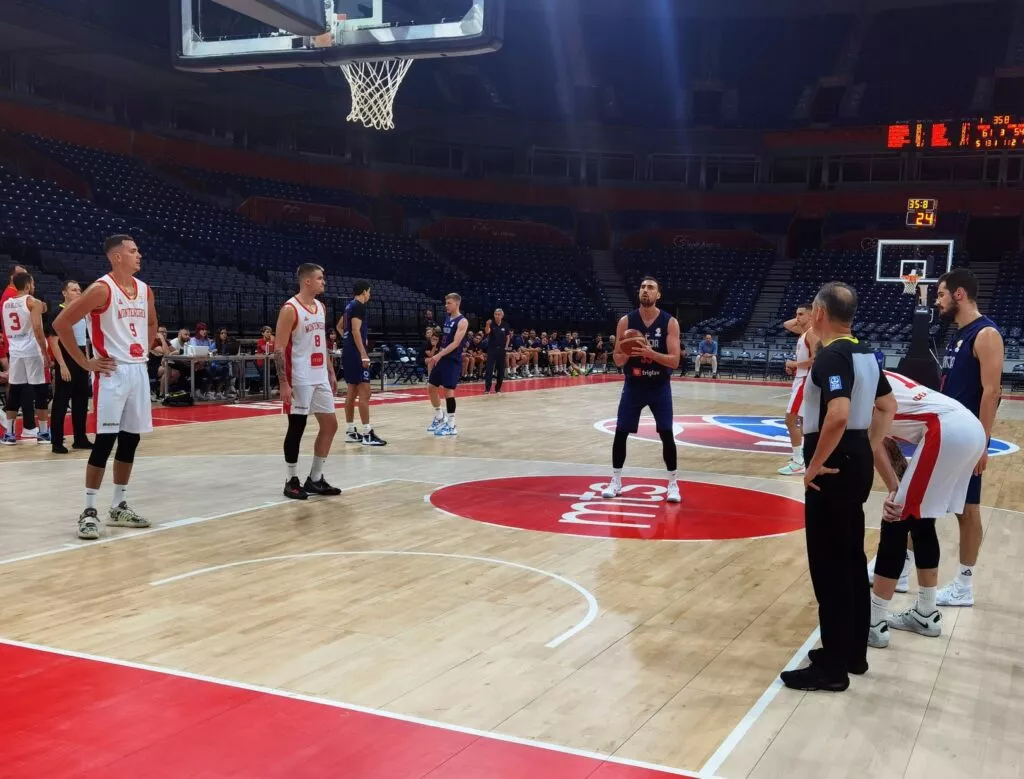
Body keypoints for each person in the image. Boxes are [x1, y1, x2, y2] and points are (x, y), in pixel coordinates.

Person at [780, 282, 894, 692]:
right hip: (857, 457)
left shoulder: (831, 355)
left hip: (833, 464)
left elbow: (839, 414)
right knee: (850, 558)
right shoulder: (866, 352)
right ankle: (852, 653)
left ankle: (832, 667)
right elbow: (888, 406)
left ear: (820, 313)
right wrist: (869, 446)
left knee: (829, 566)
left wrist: (813, 466)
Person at [863, 370, 986, 649]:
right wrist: (899, 485)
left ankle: (874, 623)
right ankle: (926, 613)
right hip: (968, 426)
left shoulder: (855, 383)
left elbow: (873, 442)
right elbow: (885, 439)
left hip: (946, 429)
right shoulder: (877, 374)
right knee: (921, 519)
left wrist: (894, 490)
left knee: (895, 518)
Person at [53, 235, 155, 540]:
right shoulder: (101, 289)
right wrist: (85, 363)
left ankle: (118, 505)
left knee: (130, 440)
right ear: (117, 257)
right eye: (133, 251)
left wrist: (144, 348)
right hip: (112, 373)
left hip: (137, 370)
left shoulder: (145, 289)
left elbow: (152, 323)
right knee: (105, 441)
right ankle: (88, 510)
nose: (139, 255)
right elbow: (61, 324)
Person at [933, 268, 1004, 607]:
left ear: (959, 294)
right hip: (947, 433)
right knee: (922, 500)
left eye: (941, 294)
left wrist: (982, 444)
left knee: (967, 508)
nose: (937, 301)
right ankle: (901, 567)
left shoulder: (986, 333)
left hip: (966, 438)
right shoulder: (958, 333)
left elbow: (992, 393)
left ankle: (963, 584)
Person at [601, 276, 682, 503]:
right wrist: (627, 351)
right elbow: (618, 360)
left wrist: (650, 353)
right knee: (621, 432)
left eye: (651, 287)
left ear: (658, 295)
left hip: (659, 386)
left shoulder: (670, 322)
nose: (646, 290)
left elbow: (675, 361)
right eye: (643, 287)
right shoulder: (626, 322)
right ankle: (616, 480)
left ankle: (673, 484)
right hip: (634, 385)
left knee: (666, 433)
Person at [274, 263, 343, 499]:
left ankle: (315, 478)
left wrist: (330, 370)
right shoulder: (290, 309)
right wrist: (284, 383)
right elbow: (279, 348)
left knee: (330, 425)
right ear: (307, 281)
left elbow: (320, 341)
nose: (324, 282)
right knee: (297, 427)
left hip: (319, 374)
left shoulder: (321, 307)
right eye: (320, 278)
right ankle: (291, 479)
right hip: (299, 377)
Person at [1, 272, 51, 446]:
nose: (34, 286)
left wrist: (42, 307)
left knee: (15, 391)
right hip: (32, 351)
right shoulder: (32, 301)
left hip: (15, 352)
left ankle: (9, 434)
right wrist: (45, 353)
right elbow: (37, 328)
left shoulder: (6, 303)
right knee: (40, 390)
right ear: (29, 285)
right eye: (33, 283)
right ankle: (43, 433)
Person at [48, 280, 93, 453]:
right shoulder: (58, 311)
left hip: (80, 357)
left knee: (81, 400)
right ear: (64, 293)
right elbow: (53, 341)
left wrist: (86, 361)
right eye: (73, 290)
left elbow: (83, 340)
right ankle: (57, 442)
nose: (78, 292)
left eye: (79, 290)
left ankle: (80, 438)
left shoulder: (82, 312)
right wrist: (62, 365)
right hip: (66, 358)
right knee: (61, 401)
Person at [340, 279, 385, 446]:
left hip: (348, 351)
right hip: (356, 354)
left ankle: (351, 431)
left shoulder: (349, 306)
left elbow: (340, 326)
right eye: (369, 292)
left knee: (352, 391)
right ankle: (367, 433)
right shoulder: (359, 306)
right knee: (365, 392)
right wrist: (363, 353)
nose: (369, 295)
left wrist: (347, 341)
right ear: (364, 291)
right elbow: (355, 330)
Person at [779, 304, 819, 476]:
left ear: (811, 316)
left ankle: (798, 462)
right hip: (801, 377)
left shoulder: (812, 333)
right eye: (796, 314)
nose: (797, 318)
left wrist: (795, 364)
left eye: (801, 314)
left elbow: (817, 359)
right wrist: (794, 368)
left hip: (805, 381)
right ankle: (803, 455)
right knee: (804, 422)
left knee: (790, 420)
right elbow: (786, 324)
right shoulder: (804, 333)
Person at [426, 293, 468, 437]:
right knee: (431, 387)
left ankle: (451, 426)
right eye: (446, 302)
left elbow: (455, 343)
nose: (446, 305)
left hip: (452, 360)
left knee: (448, 392)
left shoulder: (462, 321)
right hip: (443, 357)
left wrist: (439, 355)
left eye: (449, 303)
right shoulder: (447, 318)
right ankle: (439, 417)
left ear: (457, 303)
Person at [485, 311, 510, 392]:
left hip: (501, 350)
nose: (497, 316)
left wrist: (506, 347)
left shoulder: (505, 324)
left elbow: (508, 337)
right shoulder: (491, 323)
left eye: (499, 314)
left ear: (502, 316)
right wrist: (487, 324)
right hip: (492, 349)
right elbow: (487, 332)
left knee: (501, 370)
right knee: (489, 369)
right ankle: (487, 388)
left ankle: (498, 388)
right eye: (495, 314)